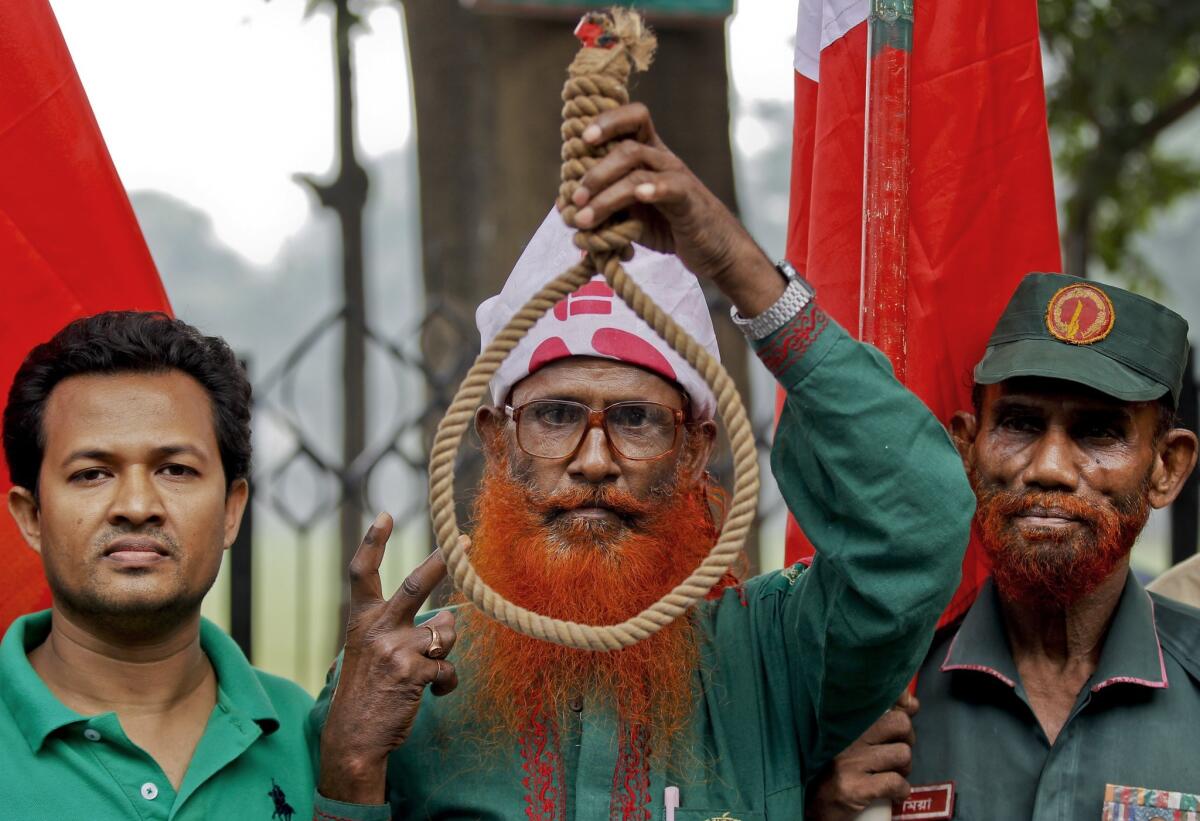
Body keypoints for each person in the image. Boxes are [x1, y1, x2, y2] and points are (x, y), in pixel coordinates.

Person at [309, 102, 975, 821]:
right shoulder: (404, 681)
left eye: (636, 419)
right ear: (496, 441)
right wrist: (351, 764)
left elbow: (920, 521)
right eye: (556, 416)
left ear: (696, 451)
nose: (594, 460)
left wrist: (733, 262)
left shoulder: (775, 656)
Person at [807, 273, 1200, 820]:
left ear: (1167, 468)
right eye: (1019, 423)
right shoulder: (880, 686)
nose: (1050, 469)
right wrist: (818, 809)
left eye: (1098, 433)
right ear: (967, 446)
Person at [0, 312, 316, 819]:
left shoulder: (313, 737)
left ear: (231, 511)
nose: (137, 504)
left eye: (176, 469)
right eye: (92, 473)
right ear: (32, 515)